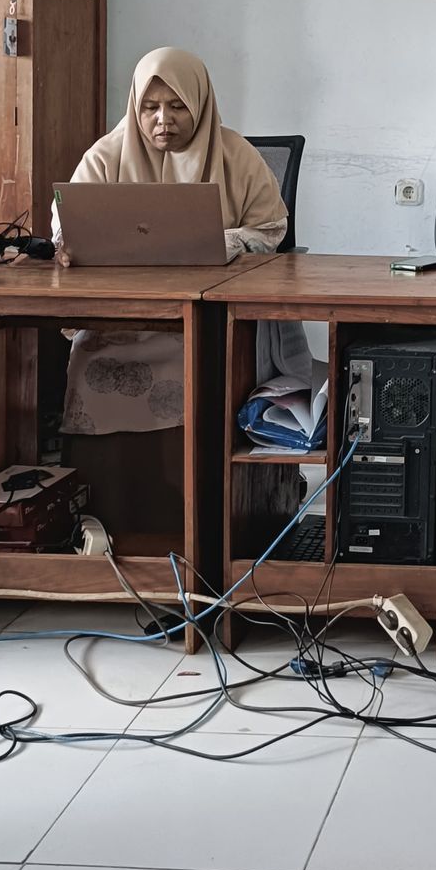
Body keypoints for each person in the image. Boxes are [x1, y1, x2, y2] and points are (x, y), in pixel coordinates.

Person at [55, 47, 287, 532]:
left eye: (178, 105)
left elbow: (270, 229)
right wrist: (67, 246)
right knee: (91, 359)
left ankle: (194, 528)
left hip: (209, 320)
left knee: (200, 367)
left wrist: (219, 241)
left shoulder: (236, 155)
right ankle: (105, 525)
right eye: (151, 107)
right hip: (120, 319)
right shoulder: (105, 156)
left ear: (199, 103)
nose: (164, 119)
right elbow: (65, 227)